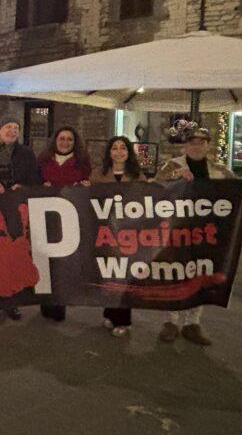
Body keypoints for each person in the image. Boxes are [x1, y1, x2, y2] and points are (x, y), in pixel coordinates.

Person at [155, 125, 242, 345]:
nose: (196, 145)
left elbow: (238, 191)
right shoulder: (172, 166)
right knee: (175, 272)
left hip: (206, 233)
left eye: (201, 141)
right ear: (185, 145)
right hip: (177, 230)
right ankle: (171, 321)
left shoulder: (220, 170)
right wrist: (175, 175)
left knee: (200, 272)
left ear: (208, 145)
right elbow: (154, 187)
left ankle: (193, 323)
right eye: (192, 141)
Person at [0, 114, 41, 320]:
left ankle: (10, 301)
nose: (12, 130)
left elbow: (35, 179)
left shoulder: (26, 153)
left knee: (14, 255)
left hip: (14, 209)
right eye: (8, 126)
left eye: (16, 127)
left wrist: (23, 187)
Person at [90, 135, 147, 338]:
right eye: (114, 148)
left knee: (124, 276)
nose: (119, 151)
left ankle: (123, 320)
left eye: (123, 148)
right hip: (105, 233)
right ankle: (110, 312)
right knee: (108, 275)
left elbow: (144, 202)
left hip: (127, 233)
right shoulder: (98, 174)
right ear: (109, 152)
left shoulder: (137, 176)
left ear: (129, 152)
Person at [37, 126, 91, 323]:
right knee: (46, 261)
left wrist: (86, 187)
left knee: (64, 263)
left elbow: (88, 186)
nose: (65, 142)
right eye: (62, 139)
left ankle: (60, 304)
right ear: (55, 140)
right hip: (46, 218)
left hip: (69, 220)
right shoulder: (43, 161)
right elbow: (34, 183)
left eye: (69, 139)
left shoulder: (82, 164)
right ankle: (45, 302)